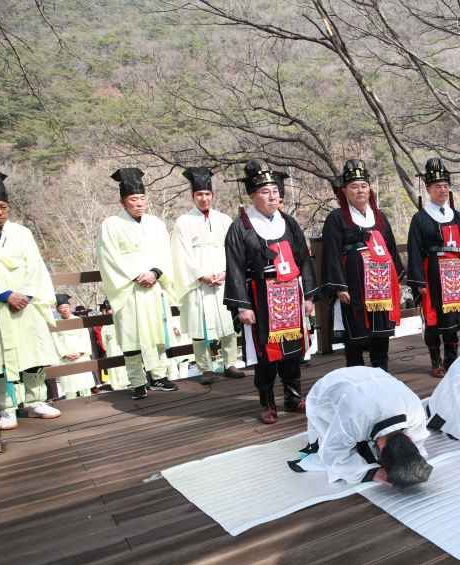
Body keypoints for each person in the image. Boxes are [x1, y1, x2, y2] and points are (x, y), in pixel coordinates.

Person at [224, 160, 317, 424]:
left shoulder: (289, 223)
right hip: (260, 297)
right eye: (265, 191)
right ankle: (267, 401)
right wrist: (242, 305)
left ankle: (293, 395)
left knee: (292, 350)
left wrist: (309, 295)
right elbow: (235, 268)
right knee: (266, 352)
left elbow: (304, 260)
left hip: (291, 293)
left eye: (275, 190)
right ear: (253, 196)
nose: (272, 195)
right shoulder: (240, 227)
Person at [97, 168, 178, 400]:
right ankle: (137, 380)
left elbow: (165, 252)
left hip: (153, 286)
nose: (139, 203)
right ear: (123, 202)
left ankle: (159, 376)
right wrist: (135, 275)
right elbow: (108, 257)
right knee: (131, 334)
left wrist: (155, 272)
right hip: (128, 288)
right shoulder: (110, 224)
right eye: (134, 199)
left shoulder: (156, 223)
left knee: (156, 331)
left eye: (142, 199)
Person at [321, 160, 404, 371]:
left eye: (363, 185)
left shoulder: (380, 217)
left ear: (370, 189)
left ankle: (382, 376)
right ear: (345, 190)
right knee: (355, 339)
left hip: (381, 289)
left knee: (380, 337)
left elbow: (391, 250)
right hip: (354, 288)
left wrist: (397, 281)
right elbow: (330, 253)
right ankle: (357, 383)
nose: (360, 190)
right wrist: (340, 285)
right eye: (354, 186)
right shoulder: (336, 218)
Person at [290, 366, 433, 487]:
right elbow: (333, 454)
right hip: (326, 390)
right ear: (380, 449)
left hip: (370, 376)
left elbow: (418, 441)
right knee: (328, 445)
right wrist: (373, 474)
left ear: (408, 438)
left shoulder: (415, 412)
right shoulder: (353, 419)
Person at [0, 173, 62, 429]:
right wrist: (4, 294)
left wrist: (25, 294)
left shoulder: (22, 233)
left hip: (25, 303)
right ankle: (6, 407)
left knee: (31, 353)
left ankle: (36, 401)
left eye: (3, 207)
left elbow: (36, 267)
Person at [171, 167, 244, 384]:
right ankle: (205, 368)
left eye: (207, 194)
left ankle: (230, 362)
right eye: (199, 195)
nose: (204, 199)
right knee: (199, 325)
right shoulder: (183, 222)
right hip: (198, 281)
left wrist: (225, 272)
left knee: (227, 324)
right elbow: (180, 253)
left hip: (222, 278)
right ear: (193, 196)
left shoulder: (223, 219)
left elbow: (234, 249)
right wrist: (200, 275)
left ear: (213, 196)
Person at [406, 157, 460, 378]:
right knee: (434, 319)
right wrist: (419, 282)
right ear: (428, 189)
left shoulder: (458, 217)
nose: (442, 190)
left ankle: (451, 360)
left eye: (445, 186)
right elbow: (414, 250)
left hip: (455, 275)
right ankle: (436, 362)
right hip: (433, 274)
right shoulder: (420, 219)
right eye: (437, 186)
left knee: (453, 319)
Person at [53, 294, 96, 398]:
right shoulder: (56, 323)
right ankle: (70, 400)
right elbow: (55, 341)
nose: (64, 310)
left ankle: (88, 400)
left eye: (66, 307)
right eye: (61, 308)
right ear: (58, 310)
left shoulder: (78, 320)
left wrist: (80, 352)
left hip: (80, 356)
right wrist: (64, 354)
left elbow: (85, 338)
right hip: (66, 358)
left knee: (84, 383)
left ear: (70, 307)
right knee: (69, 385)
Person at [98, 300, 129, 390]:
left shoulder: (121, 320)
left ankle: (127, 381)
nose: (110, 311)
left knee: (124, 364)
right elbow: (103, 340)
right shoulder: (105, 325)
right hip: (111, 348)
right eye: (108, 309)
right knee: (114, 366)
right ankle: (116, 384)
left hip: (122, 346)